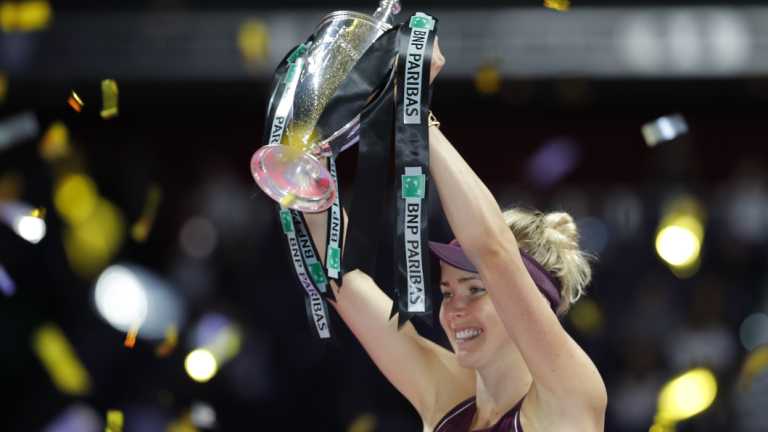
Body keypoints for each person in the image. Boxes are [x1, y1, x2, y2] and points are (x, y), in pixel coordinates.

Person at [302, 40, 606, 431]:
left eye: (475, 289)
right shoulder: (446, 397)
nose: (453, 309)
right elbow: (340, 274)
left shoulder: (570, 399)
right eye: (447, 292)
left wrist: (413, 107)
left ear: (529, 299)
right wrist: (305, 169)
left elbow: (493, 254)